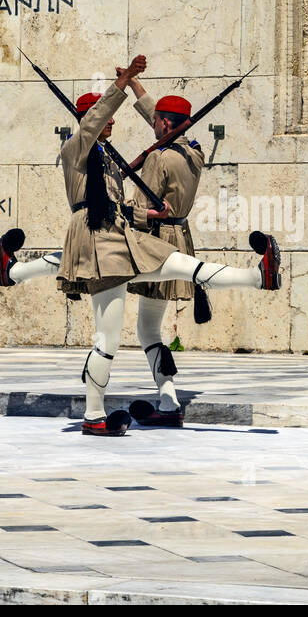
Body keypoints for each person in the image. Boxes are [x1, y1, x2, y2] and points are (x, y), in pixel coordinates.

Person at [1, 55, 281, 437]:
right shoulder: (77, 149)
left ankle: (256, 276)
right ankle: (94, 414)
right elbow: (111, 123)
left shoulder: (109, 157)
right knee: (111, 336)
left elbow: (131, 185)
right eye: (104, 117)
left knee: (178, 267)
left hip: (122, 236)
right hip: (97, 236)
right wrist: (128, 82)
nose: (113, 121)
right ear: (91, 120)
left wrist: (149, 217)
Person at [117, 72, 205, 427]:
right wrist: (134, 85)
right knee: (151, 328)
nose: (151, 124)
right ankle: (166, 400)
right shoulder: (194, 152)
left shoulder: (158, 160)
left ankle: (168, 401)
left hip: (156, 243)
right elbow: (166, 121)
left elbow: (141, 209)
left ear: (164, 124)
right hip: (182, 239)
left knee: (148, 330)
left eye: (155, 122)